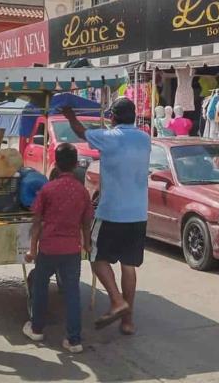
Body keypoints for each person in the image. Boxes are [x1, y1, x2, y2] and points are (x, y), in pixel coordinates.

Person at [61, 97, 150, 335]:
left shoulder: (109, 138)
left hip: (112, 211)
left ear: (113, 117)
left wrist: (69, 115)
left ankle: (116, 300)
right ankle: (128, 321)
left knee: (95, 256)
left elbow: (81, 132)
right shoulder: (144, 138)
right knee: (129, 266)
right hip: (139, 213)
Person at [22, 143, 94, 353]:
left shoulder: (47, 189)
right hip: (72, 249)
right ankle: (74, 340)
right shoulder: (82, 191)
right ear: (74, 164)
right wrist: (87, 244)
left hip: (49, 248)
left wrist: (32, 249)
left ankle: (36, 328)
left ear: (56, 162)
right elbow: (86, 222)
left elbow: (36, 222)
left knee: (40, 285)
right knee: (72, 293)